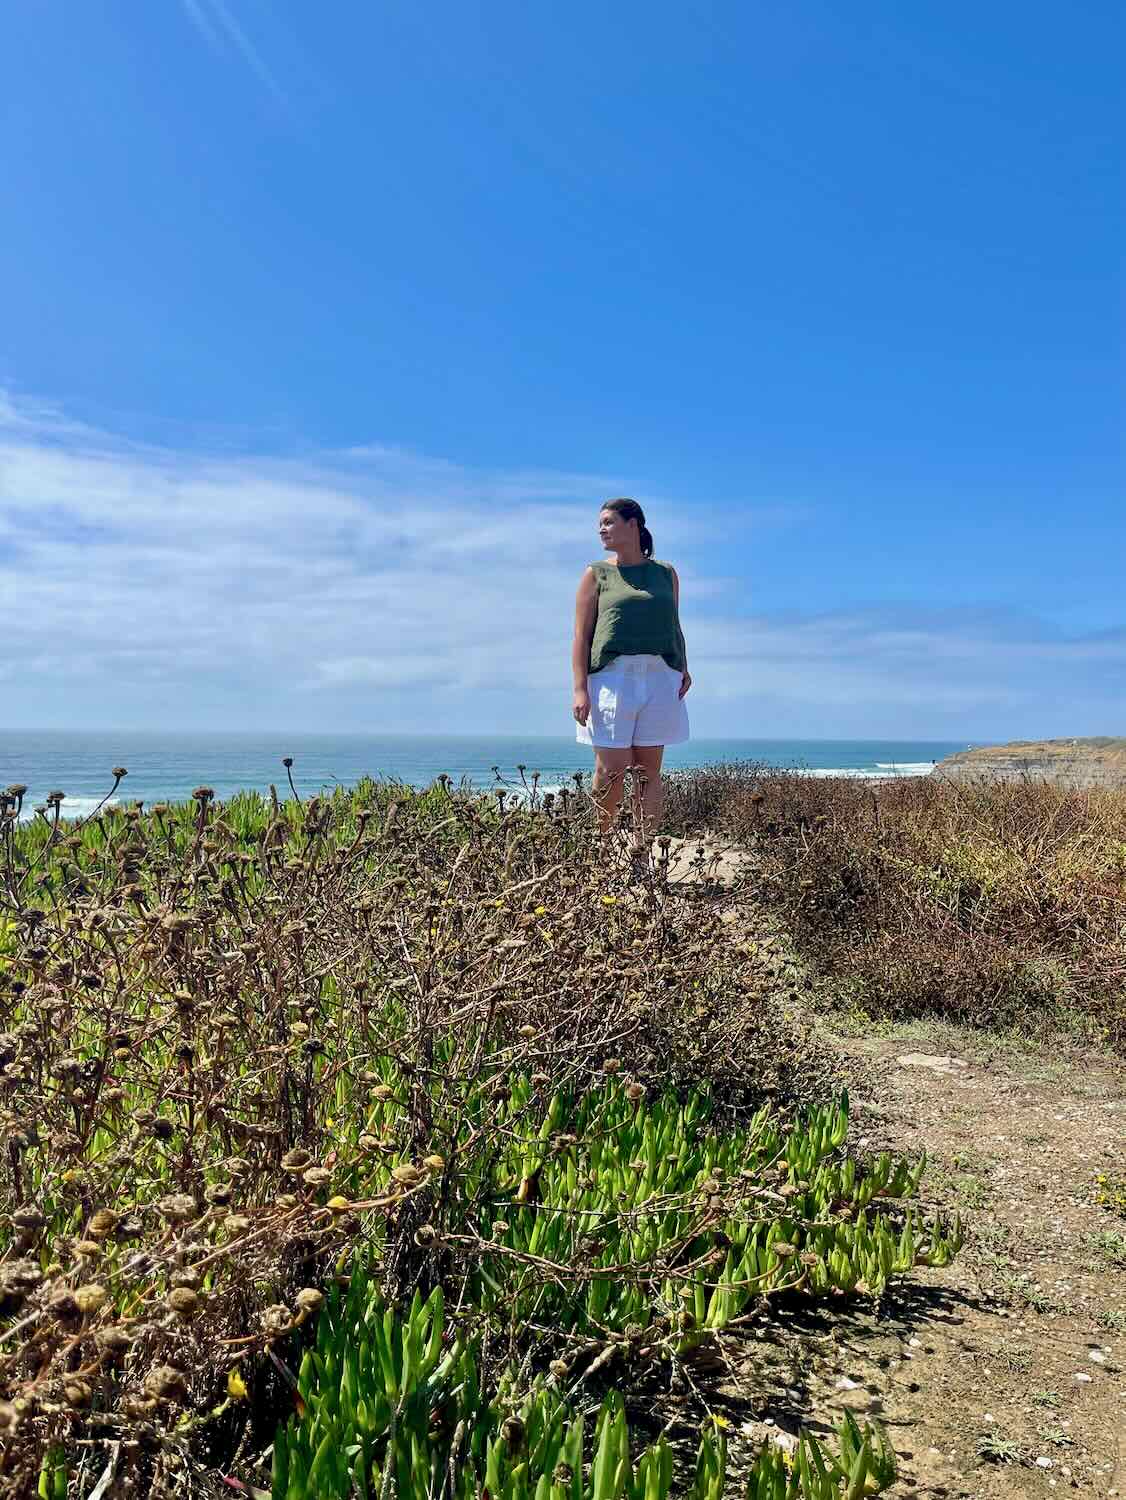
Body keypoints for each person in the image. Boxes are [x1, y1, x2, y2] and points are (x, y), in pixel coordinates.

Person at [572, 498, 691, 871]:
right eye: (601, 523)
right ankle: (602, 852)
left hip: (660, 677)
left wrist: (683, 666)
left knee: (648, 772)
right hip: (611, 678)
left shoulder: (666, 573)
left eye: (609, 522)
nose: (602, 529)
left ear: (633, 524)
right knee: (610, 770)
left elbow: (674, 625)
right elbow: (581, 636)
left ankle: (641, 857)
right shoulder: (596, 574)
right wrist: (579, 688)